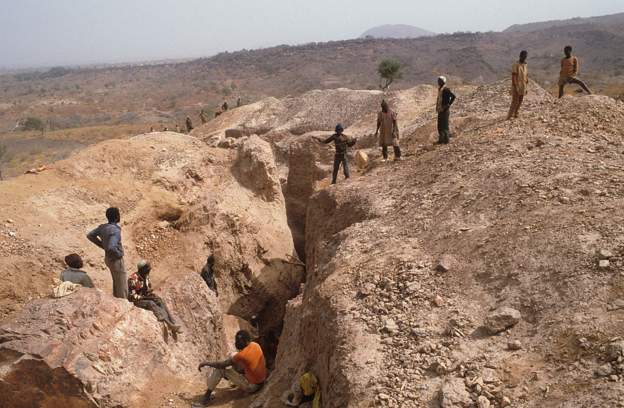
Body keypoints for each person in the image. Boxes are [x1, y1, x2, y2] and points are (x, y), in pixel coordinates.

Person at [198, 330, 267, 405]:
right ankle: (233, 376)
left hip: (252, 387)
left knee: (221, 370)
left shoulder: (241, 355)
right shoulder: (255, 345)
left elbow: (221, 365)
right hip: (261, 379)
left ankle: (206, 399)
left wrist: (205, 363)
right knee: (233, 356)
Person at [128, 260, 181, 334]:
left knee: (159, 300)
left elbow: (147, 288)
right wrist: (145, 297)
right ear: (142, 270)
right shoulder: (133, 279)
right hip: (138, 301)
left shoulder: (145, 275)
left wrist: (150, 292)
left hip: (145, 296)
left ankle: (173, 322)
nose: (149, 270)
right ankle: (169, 324)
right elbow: (132, 296)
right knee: (151, 303)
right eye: (147, 269)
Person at [87, 207, 127, 299]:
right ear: (117, 217)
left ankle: (117, 301)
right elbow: (111, 247)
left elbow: (90, 235)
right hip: (116, 260)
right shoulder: (115, 230)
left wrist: (102, 245)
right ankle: (124, 305)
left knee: (116, 282)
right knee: (122, 285)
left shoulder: (102, 227)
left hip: (108, 258)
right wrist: (118, 254)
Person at [507, 51, 529, 120]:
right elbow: (514, 76)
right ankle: (509, 116)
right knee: (514, 101)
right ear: (520, 56)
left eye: (525, 56)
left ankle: (516, 112)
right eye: (523, 56)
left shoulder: (525, 64)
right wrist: (516, 86)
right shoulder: (515, 65)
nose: (524, 58)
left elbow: (526, 74)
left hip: (523, 84)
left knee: (521, 99)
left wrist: (526, 83)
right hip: (517, 85)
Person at [436, 76, 456, 144]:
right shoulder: (440, 89)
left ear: (443, 81)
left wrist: (448, 104)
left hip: (445, 110)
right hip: (440, 110)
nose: (438, 82)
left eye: (440, 80)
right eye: (438, 80)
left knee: (445, 126)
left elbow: (453, 96)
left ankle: (446, 140)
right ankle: (441, 139)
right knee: (440, 126)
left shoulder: (446, 89)